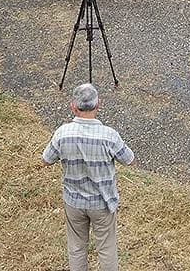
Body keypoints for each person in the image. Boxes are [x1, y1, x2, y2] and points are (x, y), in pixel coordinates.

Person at [42, 83, 135, 271]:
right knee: (106, 248)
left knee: (76, 247)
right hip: (102, 202)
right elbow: (129, 160)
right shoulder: (109, 136)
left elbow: (46, 160)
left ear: (73, 106)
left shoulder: (62, 133)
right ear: (98, 105)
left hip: (74, 202)